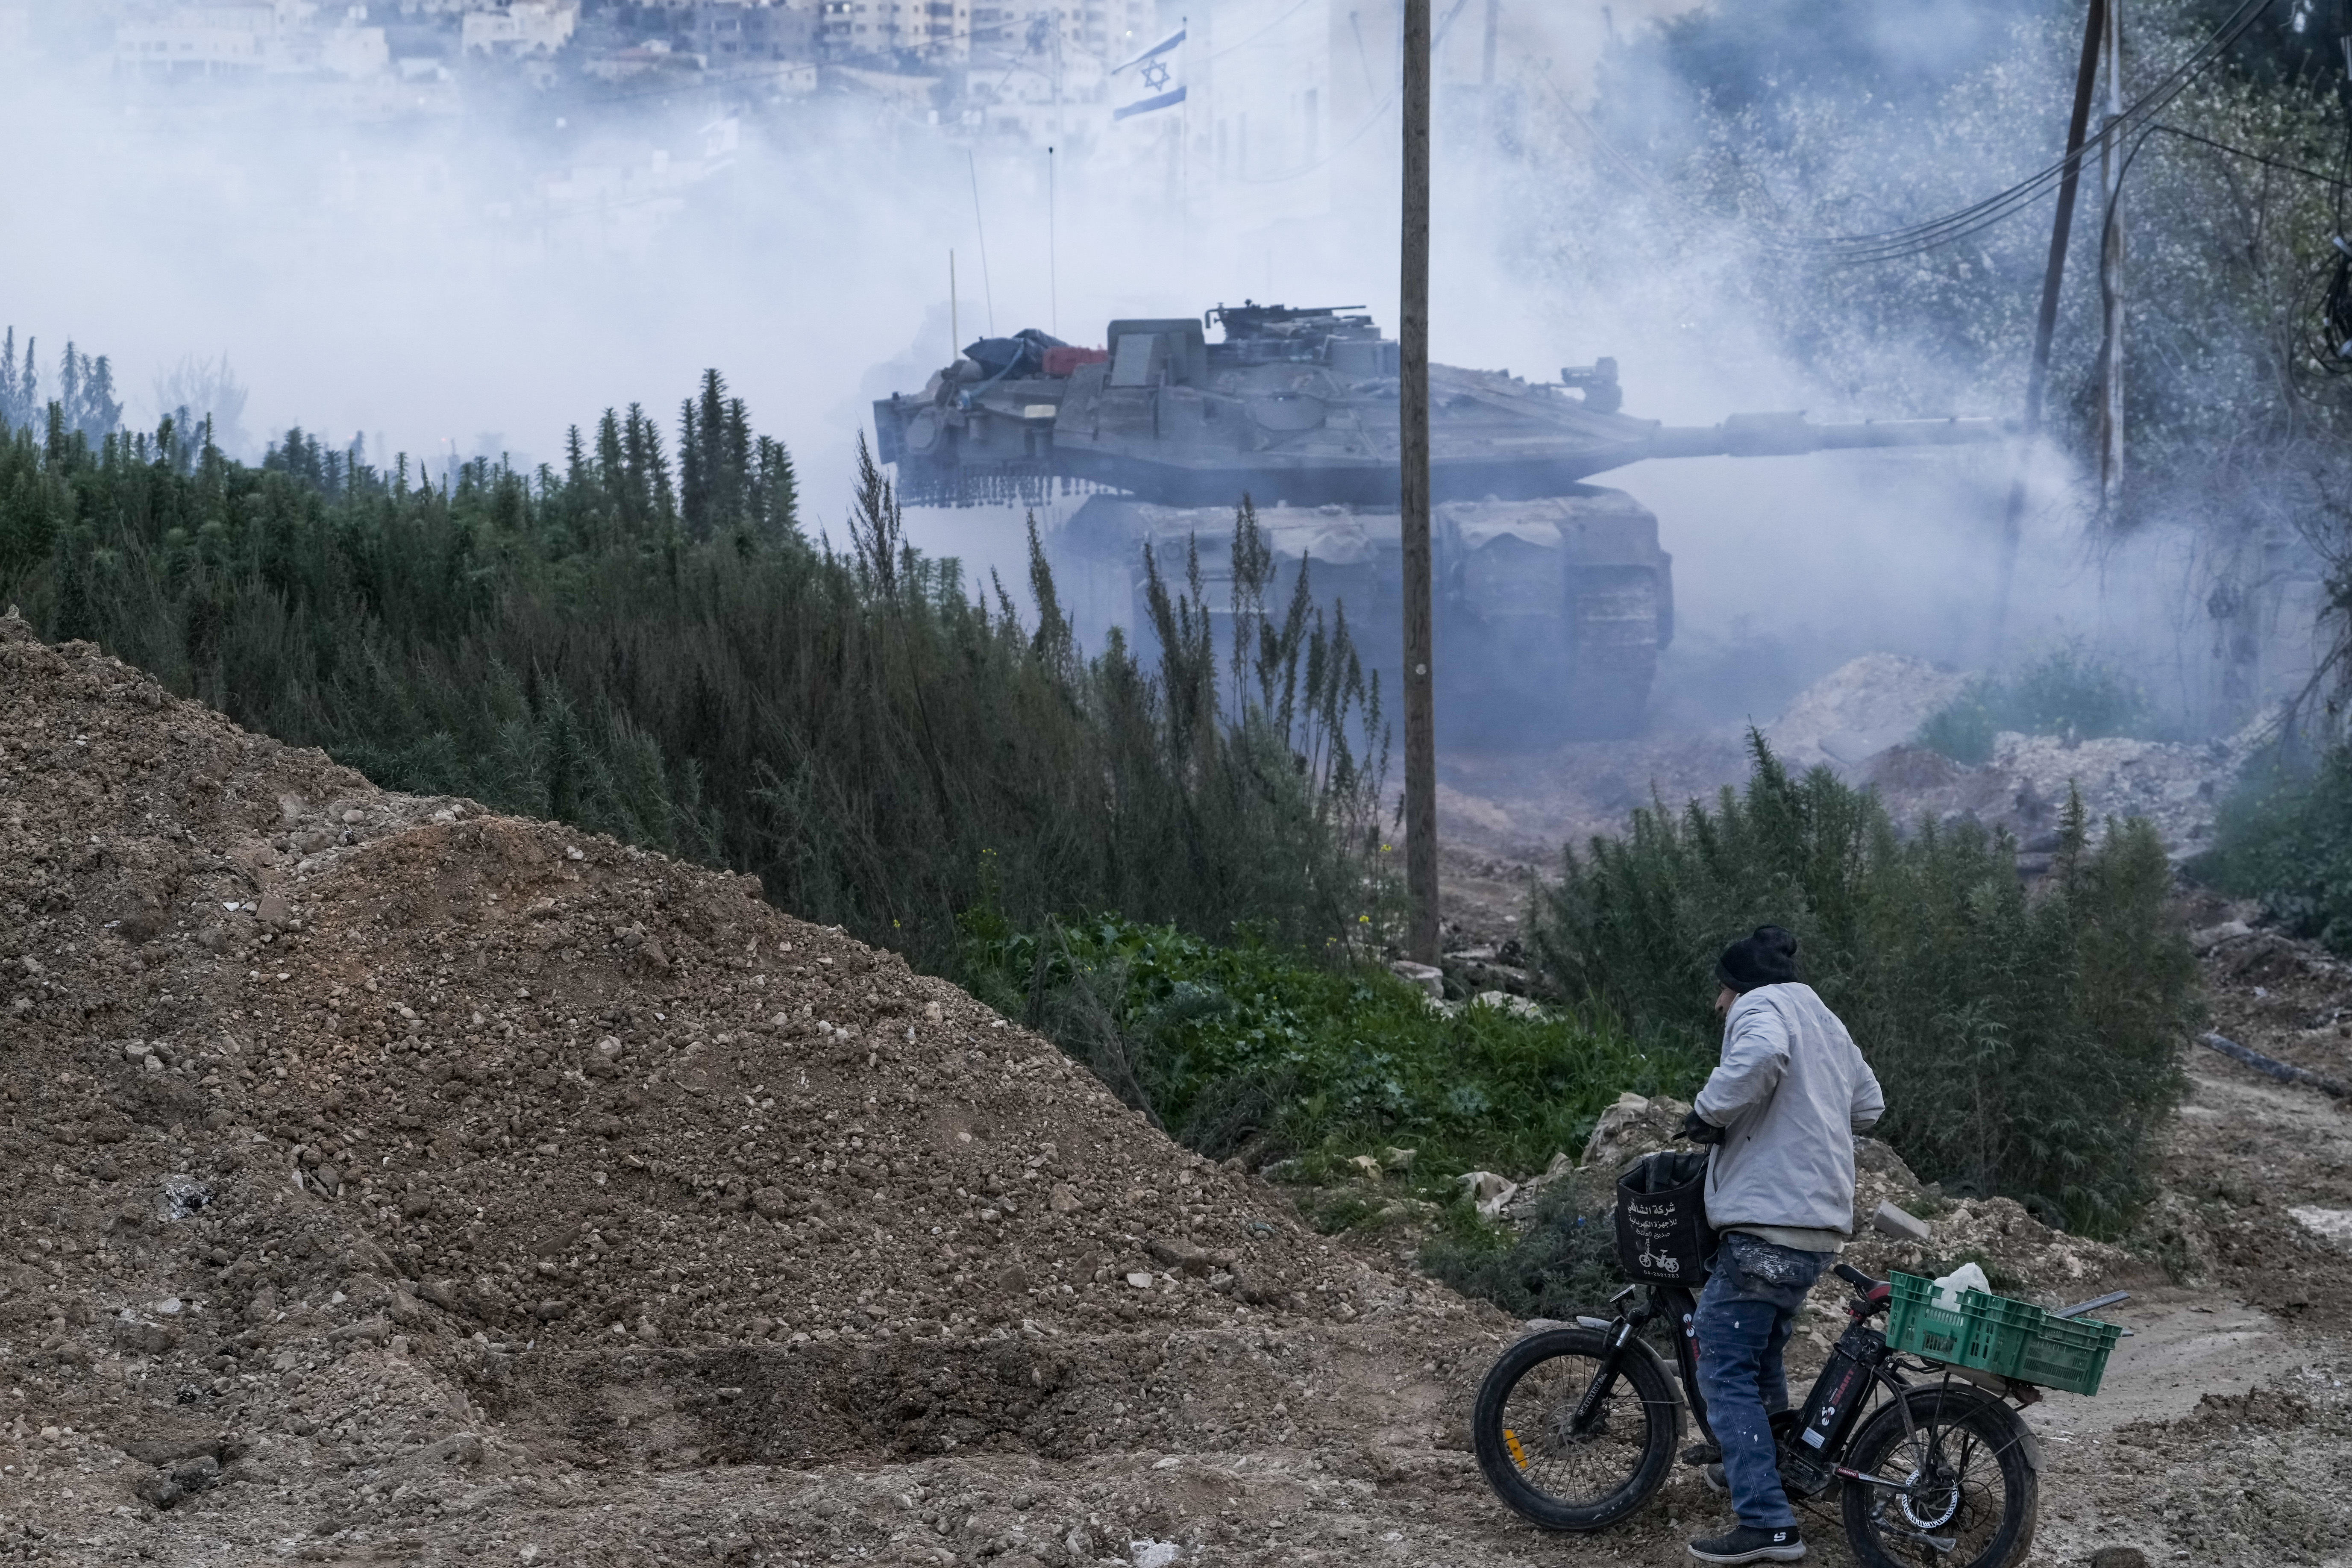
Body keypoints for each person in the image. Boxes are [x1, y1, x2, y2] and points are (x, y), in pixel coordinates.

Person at [1677, 925, 1884, 1565]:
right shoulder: (1821, 1013)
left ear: (1739, 985)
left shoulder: (1761, 1008)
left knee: (1721, 1364)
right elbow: (1869, 1106)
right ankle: (1768, 1473)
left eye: (1721, 989)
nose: (1718, 1003)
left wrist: (1708, 1112)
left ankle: (1767, 1522)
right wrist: (1806, 1114)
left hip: (1768, 1220)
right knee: (1759, 1353)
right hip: (1815, 1223)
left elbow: (1761, 1057)